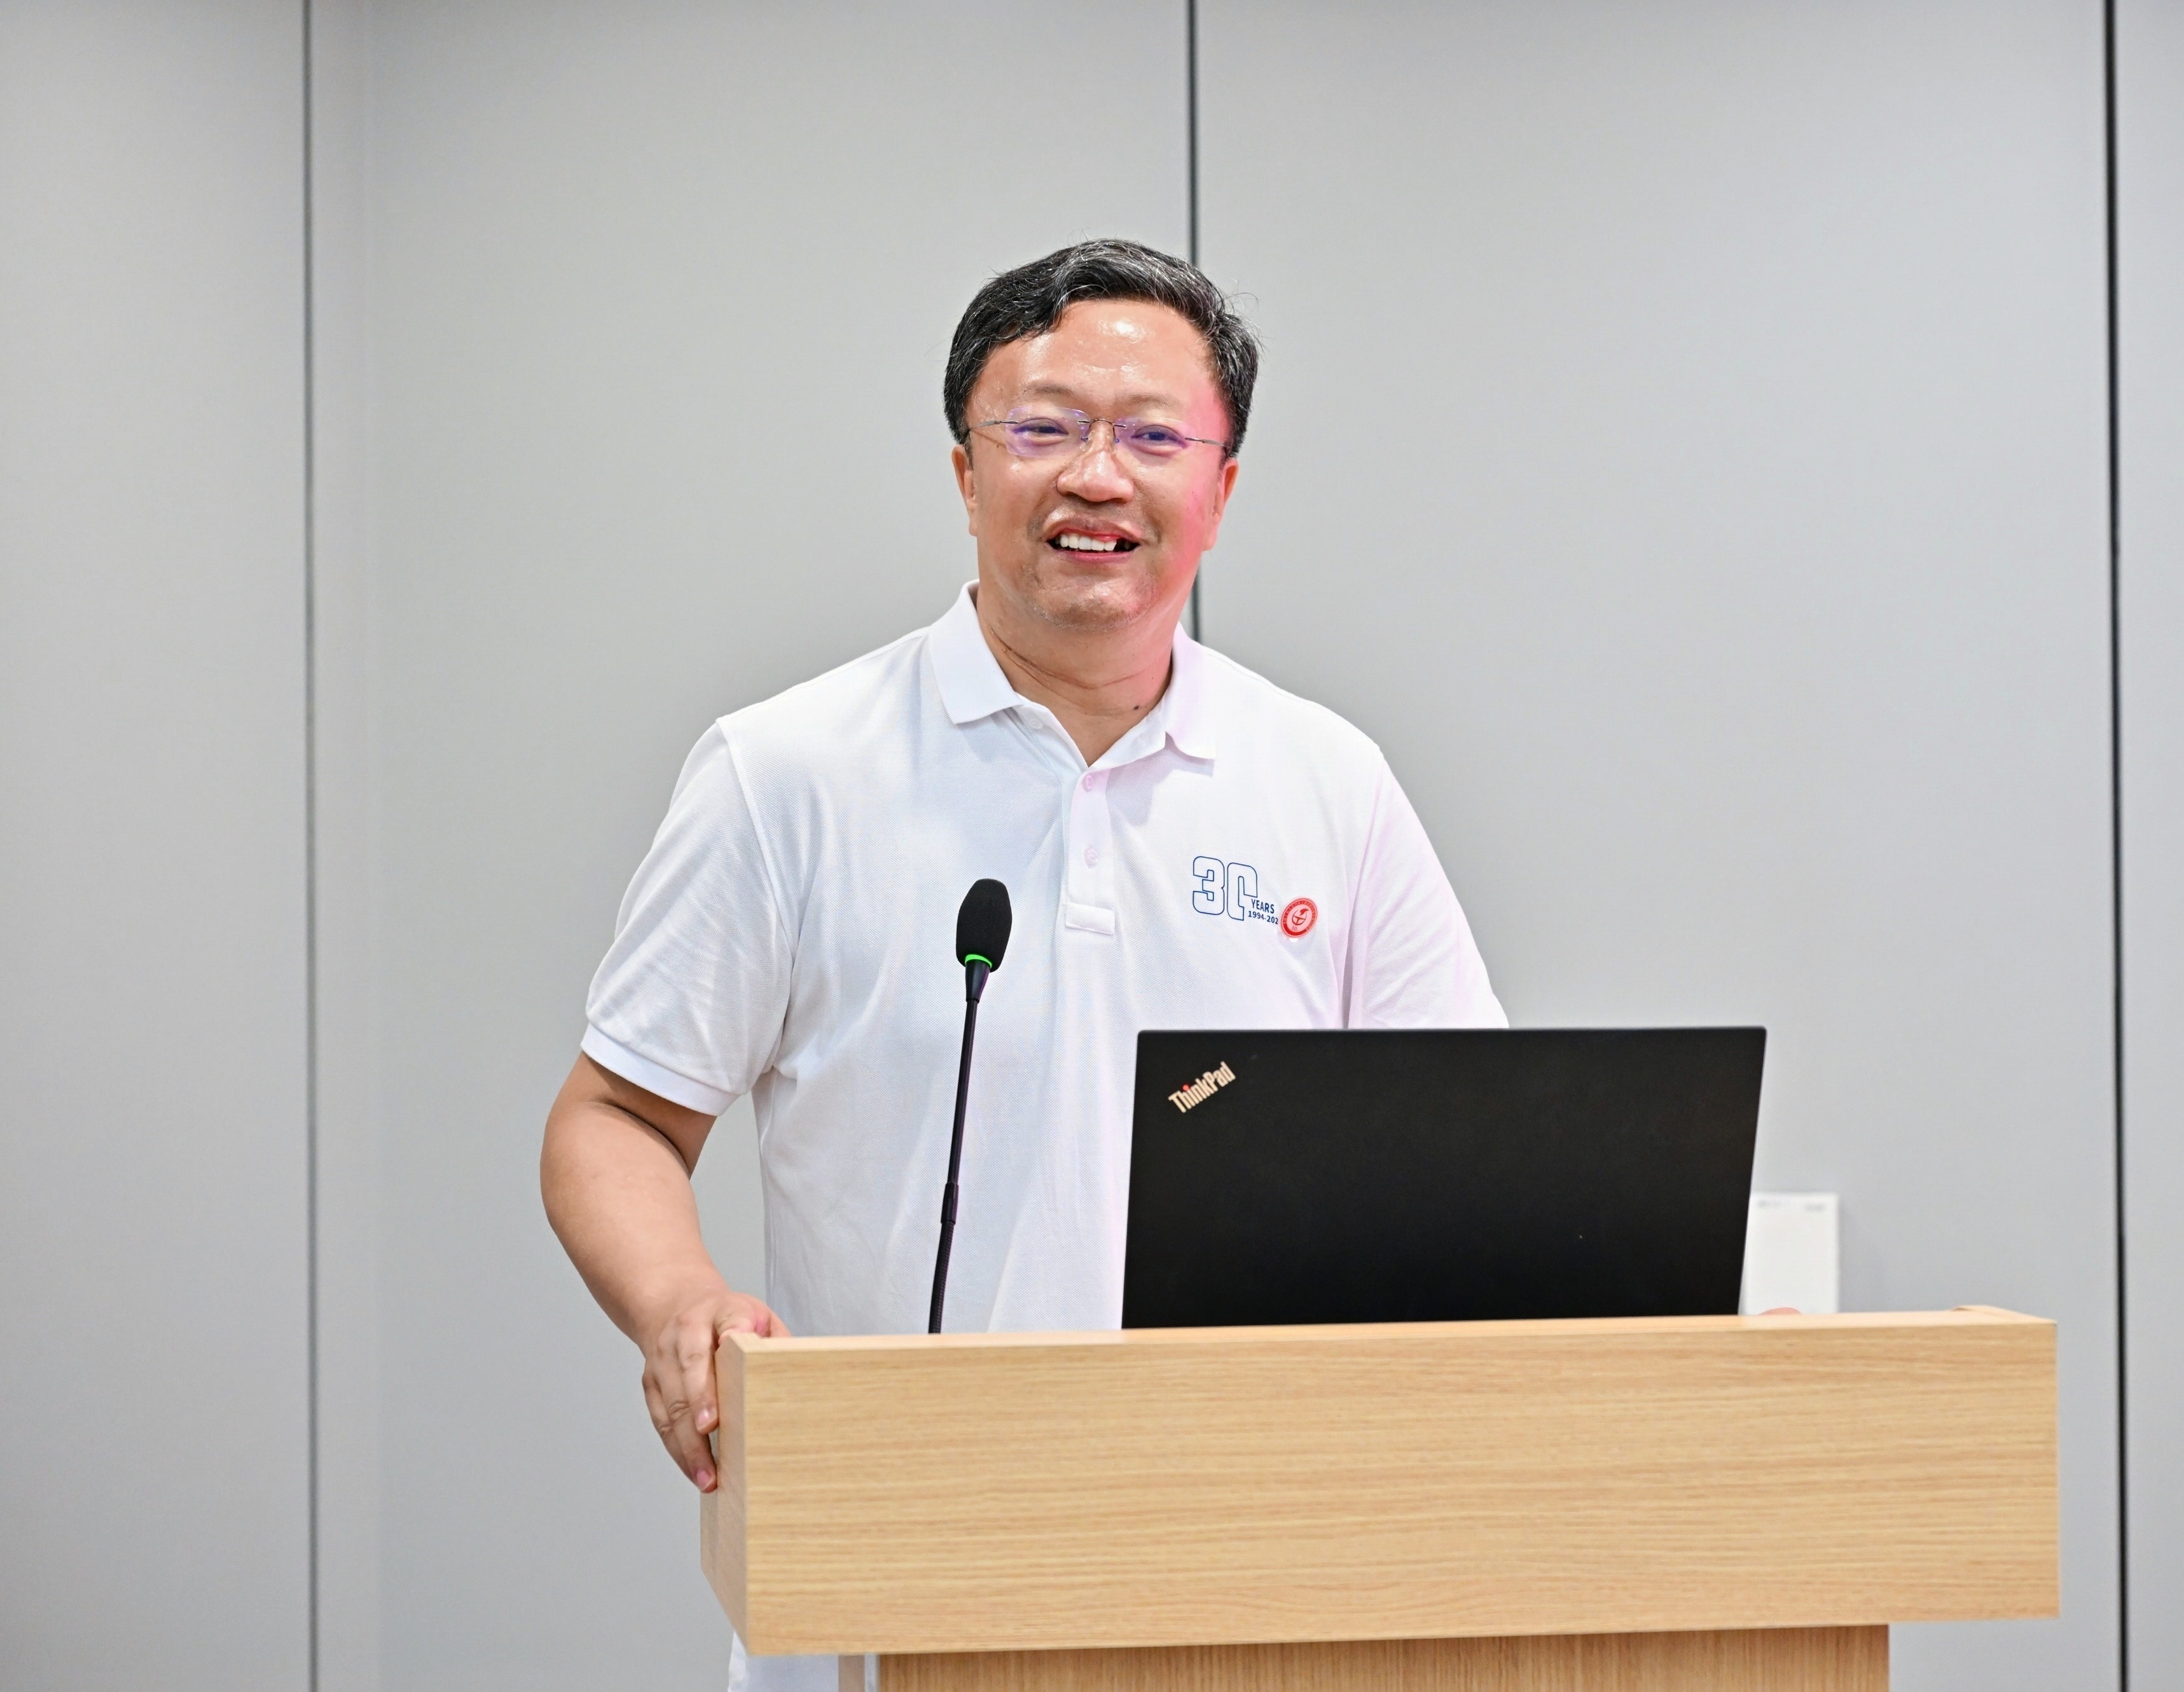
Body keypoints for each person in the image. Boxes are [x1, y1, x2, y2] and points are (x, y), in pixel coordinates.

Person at [539, 238, 1503, 1684]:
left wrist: (1704, 1343)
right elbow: (617, 1114)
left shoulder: (1327, 780)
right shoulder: (789, 770)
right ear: (965, 470)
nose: (1096, 477)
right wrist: (681, 1305)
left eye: (1153, 438)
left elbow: (1474, 1153)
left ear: (1222, 488)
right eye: (1043, 428)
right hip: (897, 1567)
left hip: (1255, 1574)